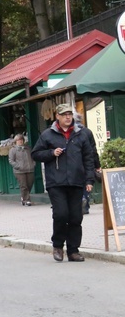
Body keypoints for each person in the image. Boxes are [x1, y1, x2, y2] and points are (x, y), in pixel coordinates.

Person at [31, 103, 95, 263]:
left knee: (76, 217)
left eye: (69, 114)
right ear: (57, 117)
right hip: (56, 182)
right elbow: (36, 154)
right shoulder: (48, 134)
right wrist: (52, 153)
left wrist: (89, 179)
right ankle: (58, 245)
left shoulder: (81, 134)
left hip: (76, 181)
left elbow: (89, 158)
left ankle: (73, 251)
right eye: (64, 114)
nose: (68, 117)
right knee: (61, 214)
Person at [8, 134, 35, 206]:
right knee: (23, 185)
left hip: (30, 169)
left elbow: (33, 157)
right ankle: (27, 200)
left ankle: (23, 197)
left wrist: (33, 164)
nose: (20, 141)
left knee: (29, 184)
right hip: (19, 171)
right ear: (15, 141)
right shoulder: (13, 150)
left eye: (21, 140)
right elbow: (11, 160)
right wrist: (18, 166)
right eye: (18, 140)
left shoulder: (28, 149)